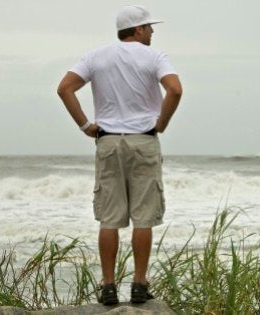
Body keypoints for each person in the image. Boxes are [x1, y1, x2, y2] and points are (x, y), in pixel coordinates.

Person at [57, 5, 182, 305]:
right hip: (143, 140)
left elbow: (65, 88)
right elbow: (175, 90)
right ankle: (139, 284)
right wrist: (161, 123)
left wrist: (86, 125)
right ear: (137, 29)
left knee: (109, 219)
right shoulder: (154, 57)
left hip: (109, 141)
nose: (152, 31)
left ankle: (109, 286)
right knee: (143, 217)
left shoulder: (96, 56)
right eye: (149, 26)